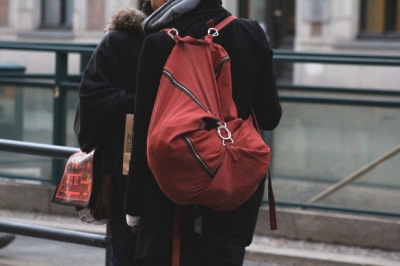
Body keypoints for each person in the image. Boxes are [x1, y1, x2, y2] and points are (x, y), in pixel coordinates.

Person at [124, 0, 282, 265]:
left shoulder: (159, 42)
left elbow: (144, 135)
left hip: (170, 202)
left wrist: (133, 207)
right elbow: (270, 116)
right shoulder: (250, 33)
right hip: (233, 195)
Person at [74, 6, 147, 266]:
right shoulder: (161, 42)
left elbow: (91, 99)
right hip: (159, 163)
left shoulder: (113, 43)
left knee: (123, 246)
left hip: (119, 166)